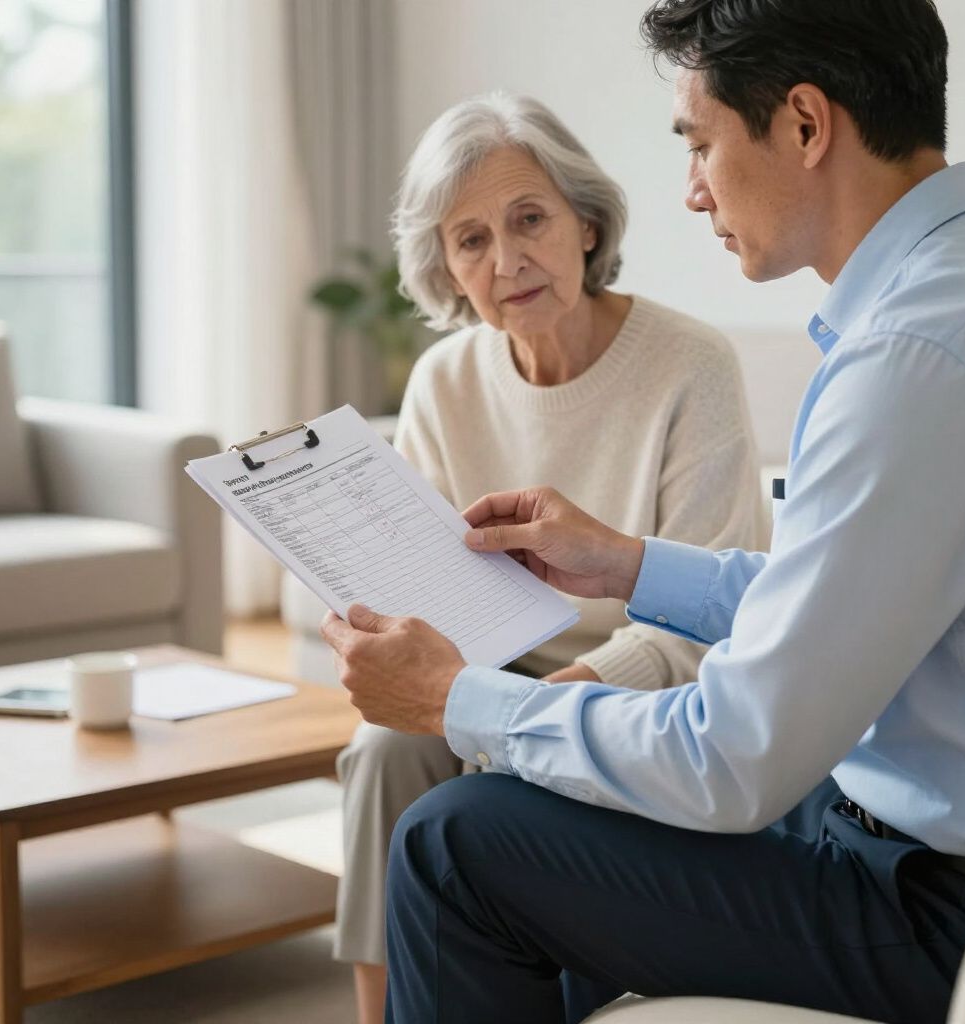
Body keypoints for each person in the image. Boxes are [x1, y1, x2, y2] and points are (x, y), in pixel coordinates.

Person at [323, 0, 965, 1019]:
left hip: (928, 900)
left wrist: (461, 701)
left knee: (455, 841)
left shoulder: (908, 359)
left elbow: (736, 757)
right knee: (546, 824)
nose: (690, 191)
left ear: (805, 126)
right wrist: (631, 563)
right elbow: (841, 604)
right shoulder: (949, 297)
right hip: (890, 829)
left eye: (700, 144)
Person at [332, 92, 767, 1024]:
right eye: (471, 240)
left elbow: (706, 631)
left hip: (641, 680)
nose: (507, 260)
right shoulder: (445, 380)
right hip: (485, 663)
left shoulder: (691, 365)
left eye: (529, 219)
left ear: (586, 222)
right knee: (381, 752)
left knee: (502, 762)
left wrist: (547, 695)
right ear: (446, 268)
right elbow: (421, 586)